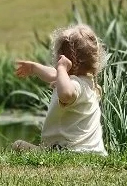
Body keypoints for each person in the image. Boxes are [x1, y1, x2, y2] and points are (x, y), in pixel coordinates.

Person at [10, 23, 107, 155]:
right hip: (92, 152)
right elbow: (53, 74)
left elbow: (66, 94)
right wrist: (34, 68)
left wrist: (61, 68)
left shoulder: (75, 85)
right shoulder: (88, 84)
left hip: (70, 151)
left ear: (64, 59)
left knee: (18, 145)